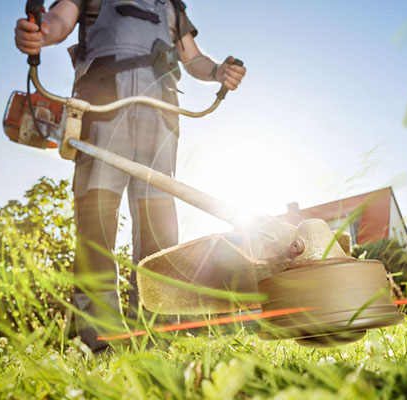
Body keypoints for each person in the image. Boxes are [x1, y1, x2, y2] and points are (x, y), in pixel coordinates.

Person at [14, 0, 246, 352]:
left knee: (160, 230)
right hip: (103, 103)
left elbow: (192, 56)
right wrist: (41, 34)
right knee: (96, 225)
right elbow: (59, 20)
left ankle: (159, 341)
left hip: (161, 110)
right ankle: (102, 344)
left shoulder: (170, 5)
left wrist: (217, 72)